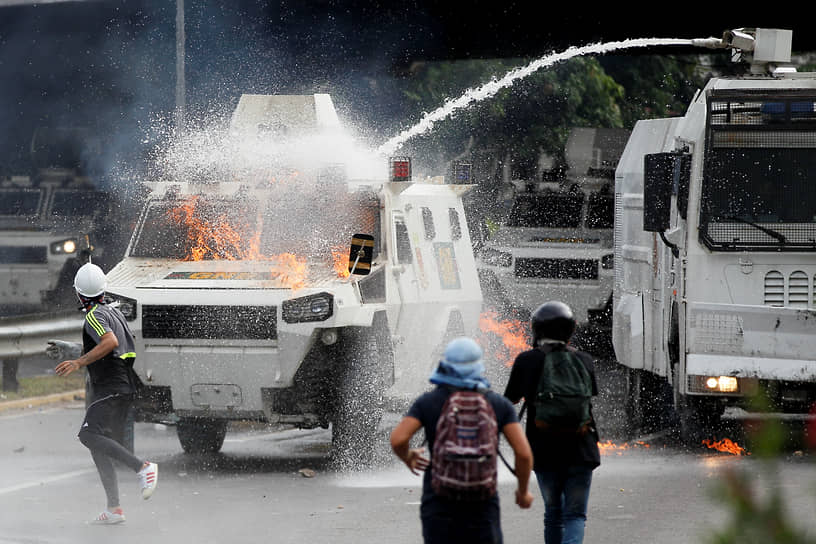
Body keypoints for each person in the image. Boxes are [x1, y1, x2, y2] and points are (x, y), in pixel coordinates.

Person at [390, 337, 534, 544]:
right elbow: (523, 454)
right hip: (482, 503)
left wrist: (408, 456)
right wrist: (523, 491)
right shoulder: (498, 404)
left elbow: (398, 439)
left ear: (445, 364)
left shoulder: (428, 402)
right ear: (479, 367)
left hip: (439, 502)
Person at [54, 262, 158, 525]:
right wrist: (76, 351)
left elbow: (109, 343)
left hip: (109, 388)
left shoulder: (94, 317)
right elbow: (113, 346)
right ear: (103, 290)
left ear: (78, 294)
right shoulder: (113, 313)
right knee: (97, 445)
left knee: (88, 435)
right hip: (122, 387)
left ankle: (142, 467)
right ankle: (114, 509)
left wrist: (79, 362)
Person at [504, 301, 600, 544]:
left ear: (537, 329)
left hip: (543, 451)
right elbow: (588, 399)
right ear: (569, 330)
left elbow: (510, 400)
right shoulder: (584, 360)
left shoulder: (527, 360)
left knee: (553, 514)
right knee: (576, 515)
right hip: (581, 451)